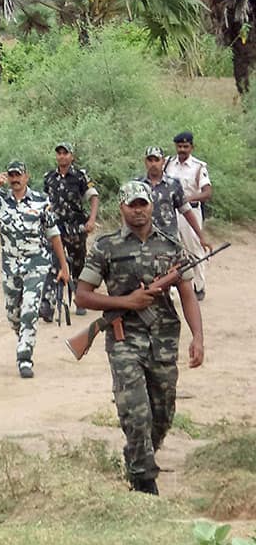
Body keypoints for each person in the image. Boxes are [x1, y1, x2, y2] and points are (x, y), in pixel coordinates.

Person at [74, 181, 203, 495]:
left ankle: (137, 457)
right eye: (132, 204)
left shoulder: (171, 246)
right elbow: (82, 296)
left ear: (151, 206)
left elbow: (187, 294)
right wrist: (126, 302)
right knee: (136, 411)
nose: (139, 210)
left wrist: (198, 337)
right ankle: (145, 481)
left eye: (143, 204)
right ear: (121, 207)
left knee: (162, 412)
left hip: (163, 340)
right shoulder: (106, 247)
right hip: (123, 339)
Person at [0, 161, 70, 378]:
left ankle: (25, 358)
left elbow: (53, 233)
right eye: (11, 175)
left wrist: (64, 266)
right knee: (14, 315)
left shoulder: (41, 201)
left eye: (18, 175)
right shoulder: (0, 200)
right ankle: (23, 337)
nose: (15, 179)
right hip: (11, 266)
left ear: (27, 177)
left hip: (37, 263)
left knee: (30, 309)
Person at [39, 142, 98, 319]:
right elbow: (44, 201)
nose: (62, 156)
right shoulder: (49, 177)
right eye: (59, 153)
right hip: (54, 228)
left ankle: (80, 299)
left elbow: (93, 197)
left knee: (78, 264)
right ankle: (48, 304)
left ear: (71, 156)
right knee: (53, 264)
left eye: (65, 153)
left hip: (75, 228)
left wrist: (92, 220)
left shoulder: (80, 176)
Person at [163, 131, 213, 300]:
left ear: (192, 147)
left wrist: (185, 199)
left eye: (185, 146)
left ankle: (199, 286)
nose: (182, 149)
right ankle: (171, 288)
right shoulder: (168, 163)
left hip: (190, 211)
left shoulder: (198, 167)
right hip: (170, 212)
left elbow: (207, 193)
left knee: (193, 249)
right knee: (171, 249)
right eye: (179, 146)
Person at [137, 146, 210, 250]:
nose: (153, 164)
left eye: (156, 160)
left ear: (163, 161)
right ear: (145, 162)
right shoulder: (137, 185)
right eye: (150, 160)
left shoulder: (173, 185)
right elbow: (128, 212)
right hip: (143, 241)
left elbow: (187, 212)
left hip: (168, 242)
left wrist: (201, 237)